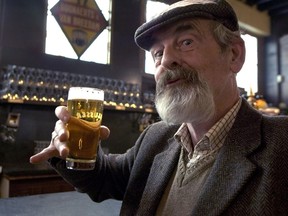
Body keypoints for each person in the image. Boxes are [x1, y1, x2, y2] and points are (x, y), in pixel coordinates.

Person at [30, 0, 288, 215]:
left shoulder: (281, 144)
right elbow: (104, 179)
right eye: (157, 53)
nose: (167, 60)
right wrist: (72, 152)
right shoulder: (156, 137)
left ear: (234, 54)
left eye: (186, 42)